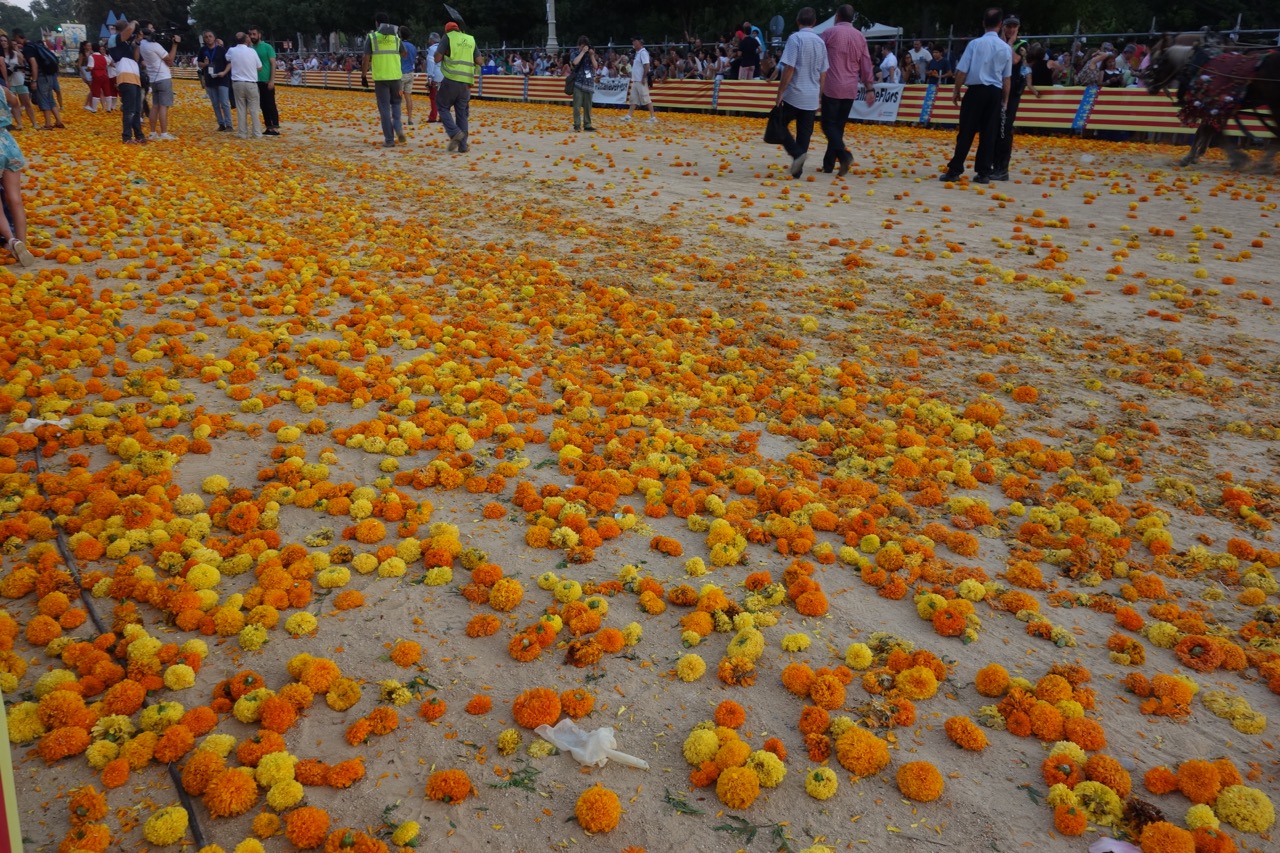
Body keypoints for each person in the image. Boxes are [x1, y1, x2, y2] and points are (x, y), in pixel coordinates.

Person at [939, 7, 1011, 184]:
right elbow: (1006, 78)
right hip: (994, 92)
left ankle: (955, 169)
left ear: (983, 23)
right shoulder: (1005, 48)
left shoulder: (975, 44)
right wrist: (1005, 99)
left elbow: (962, 71)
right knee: (989, 133)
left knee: (966, 131)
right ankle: (984, 172)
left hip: (975, 91)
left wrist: (956, 90)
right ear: (1001, 25)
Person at [819, 5, 876, 175]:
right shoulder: (860, 37)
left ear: (837, 16)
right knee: (838, 126)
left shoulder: (829, 33)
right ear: (852, 19)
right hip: (850, 87)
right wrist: (869, 87)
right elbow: (866, 63)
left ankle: (844, 156)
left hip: (832, 85)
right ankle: (828, 164)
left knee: (828, 125)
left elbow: (817, 54)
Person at [773, 7, 828, 178]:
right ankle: (798, 168)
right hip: (811, 94)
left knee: (779, 124)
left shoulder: (795, 38)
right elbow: (823, 72)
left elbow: (789, 68)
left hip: (795, 93)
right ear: (814, 23)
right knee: (805, 132)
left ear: (798, 21)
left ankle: (796, 153)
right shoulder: (820, 42)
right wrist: (820, 94)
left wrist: (780, 91)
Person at [991, 16, 1039, 182]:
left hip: (1012, 92)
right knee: (994, 128)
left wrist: (1009, 43)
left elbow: (1014, 60)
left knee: (1004, 127)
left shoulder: (1022, 44)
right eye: (1008, 26)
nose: (1010, 30)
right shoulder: (996, 41)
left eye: (1014, 27)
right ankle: (993, 164)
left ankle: (1002, 168)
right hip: (998, 88)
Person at [0, 82, 33, 266]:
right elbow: (14, 101)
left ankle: (12, 241)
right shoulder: (2, 89)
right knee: (15, 199)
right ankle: (23, 245)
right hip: (7, 142)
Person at [363, 12, 406, 149]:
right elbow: (404, 54)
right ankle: (398, 127)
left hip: (381, 79)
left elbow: (366, 58)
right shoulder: (396, 38)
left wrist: (363, 75)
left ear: (377, 23)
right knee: (397, 104)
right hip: (396, 78)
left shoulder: (372, 37)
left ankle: (389, 139)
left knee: (384, 109)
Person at [436, 19, 480, 153]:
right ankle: (463, 146)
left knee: (442, 107)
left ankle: (454, 132)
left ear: (447, 30)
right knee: (462, 114)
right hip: (466, 83)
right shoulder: (470, 39)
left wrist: (444, 55)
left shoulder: (447, 37)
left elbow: (437, 58)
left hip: (451, 80)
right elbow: (479, 60)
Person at [16, 30, 64, 130]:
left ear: (18, 37)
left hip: (41, 76)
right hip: (49, 75)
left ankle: (48, 124)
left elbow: (34, 64)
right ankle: (59, 121)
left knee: (43, 99)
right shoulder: (34, 44)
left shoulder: (28, 49)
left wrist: (34, 80)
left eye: (15, 39)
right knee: (50, 98)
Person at [139, 26, 179, 139]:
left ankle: (152, 133)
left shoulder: (142, 45)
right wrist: (175, 44)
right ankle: (164, 133)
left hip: (153, 78)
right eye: (151, 29)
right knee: (164, 106)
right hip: (163, 76)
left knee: (155, 106)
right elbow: (170, 60)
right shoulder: (154, 45)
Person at [107, 21, 145, 143]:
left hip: (134, 77)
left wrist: (138, 43)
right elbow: (128, 32)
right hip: (125, 77)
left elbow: (136, 58)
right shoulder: (113, 39)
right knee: (129, 109)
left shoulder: (125, 44)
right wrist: (134, 22)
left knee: (137, 109)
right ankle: (127, 137)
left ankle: (139, 135)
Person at [226, 32, 263, 139]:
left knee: (241, 108)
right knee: (254, 109)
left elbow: (227, 58)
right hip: (251, 83)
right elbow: (259, 67)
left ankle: (242, 133)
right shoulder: (252, 51)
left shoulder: (232, 50)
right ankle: (257, 133)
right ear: (246, 40)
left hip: (238, 82)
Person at [198, 30, 232, 131]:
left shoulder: (221, 50)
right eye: (206, 37)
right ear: (204, 39)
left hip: (221, 79)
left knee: (224, 102)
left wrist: (224, 72)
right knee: (215, 103)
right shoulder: (202, 50)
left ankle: (229, 124)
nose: (208, 38)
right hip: (209, 79)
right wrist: (205, 64)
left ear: (214, 38)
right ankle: (221, 124)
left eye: (210, 36)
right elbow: (199, 63)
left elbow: (229, 63)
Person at [248, 27, 279, 135]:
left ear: (259, 35)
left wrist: (272, 80)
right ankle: (268, 126)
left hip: (266, 80)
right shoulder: (250, 49)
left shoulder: (267, 47)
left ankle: (275, 127)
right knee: (262, 105)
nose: (252, 36)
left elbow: (273, 64)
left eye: (254, 34)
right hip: (255, 81)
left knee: (270, 104)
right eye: (250, 34)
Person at [2, 34, 36, 130]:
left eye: (5, 41)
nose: (3, 43)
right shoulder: (1, 55)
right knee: (13, 104)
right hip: (8, 82)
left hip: (20, 80)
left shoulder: (15, 54)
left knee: (27, 103)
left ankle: (34, 123)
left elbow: (23, 64)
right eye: (1, 41)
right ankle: (19, 124)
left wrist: (16, 49)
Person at [623, 36, 656, 122]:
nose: (633, 43)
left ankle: (653, 117)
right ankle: (629, 116)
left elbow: (647, 65)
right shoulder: (638, 53)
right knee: (633, 99)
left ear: (639, 42)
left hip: (640, 79)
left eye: (634, 41)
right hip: (636, 79)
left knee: (646, 98)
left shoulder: (643, 53)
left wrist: (644, 77)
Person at [569, 36, 597, 132]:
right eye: (582, 46)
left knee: (588, 106)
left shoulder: (590, 54)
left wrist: (592, 55)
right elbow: (575, 62)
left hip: (588, 83)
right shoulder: (575, 53)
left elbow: (595, 66)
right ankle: (577, 124)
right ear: (579, 46)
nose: (584, 47)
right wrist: (582, 52)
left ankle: (587, 124)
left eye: (585, 46)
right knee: (577, 105)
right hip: (578, 82)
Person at [399, 27, 418, 126]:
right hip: (410, 72)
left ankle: (397, 118)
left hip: (401, 73)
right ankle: (410, 118)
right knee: (408, 97)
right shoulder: (413, 46)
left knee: (397, 97)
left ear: (400, 35)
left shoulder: (399, 45)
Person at [424, 33, 442, 122]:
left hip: (436, 75)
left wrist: (430, 77)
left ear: (432, 40)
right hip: (445, 76)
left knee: (433, 97)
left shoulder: (431, 49)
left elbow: (431, 63)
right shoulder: (444, 47)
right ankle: (443, 116)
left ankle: (433, 116)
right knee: (443, 98)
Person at [77, 42, 95, 111]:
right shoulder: (82, 54)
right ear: (84, 46)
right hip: (85, 70)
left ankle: (89, 104)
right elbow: (79, 65)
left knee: (92, 89)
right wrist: (83, 74)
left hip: (90, 70)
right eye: (88, 46)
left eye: (90, 45)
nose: (89, 47)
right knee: (92, 88)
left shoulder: (92, 53)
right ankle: (88, 104)